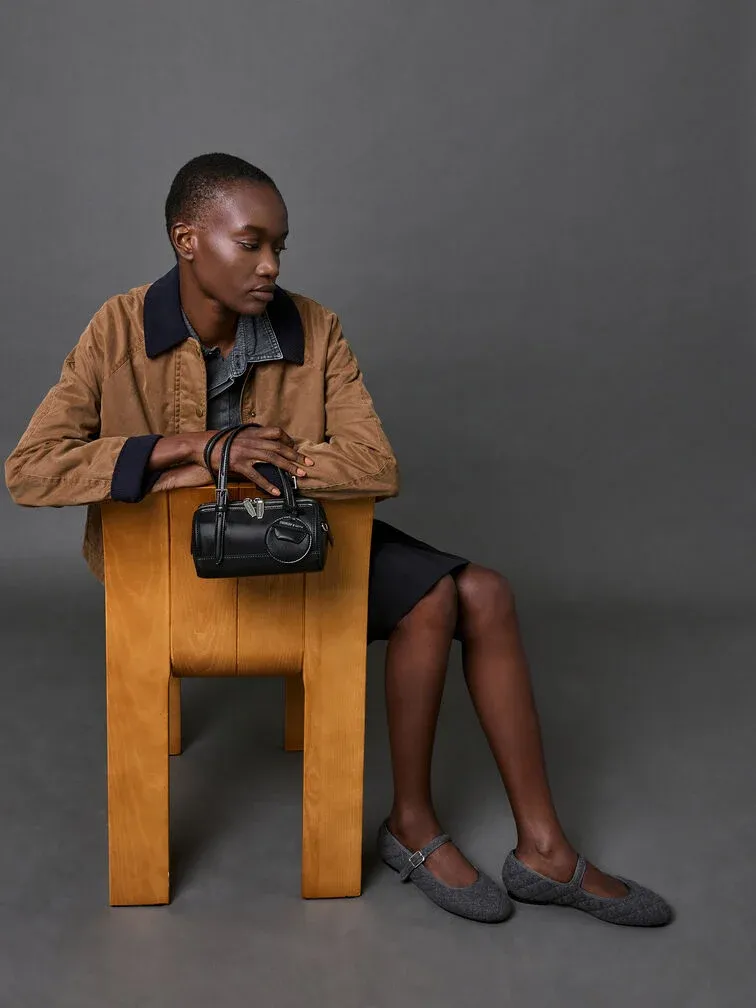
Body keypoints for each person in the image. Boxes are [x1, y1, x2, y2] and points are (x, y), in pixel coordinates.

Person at [4, 153, 672, 927]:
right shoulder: (117, 329)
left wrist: (257, 457)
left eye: (279, 246)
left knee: (483, 592)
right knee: (441, 595)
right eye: (250, 243)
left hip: (295, 546)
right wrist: (196, 450)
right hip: (165, 567)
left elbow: (376, 464)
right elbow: (31, 471)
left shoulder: (314, 328)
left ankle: (538, 849)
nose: (271, 265)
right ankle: (415, 826)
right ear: (187, 239)